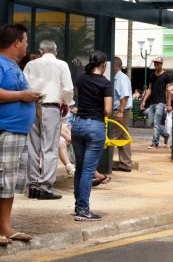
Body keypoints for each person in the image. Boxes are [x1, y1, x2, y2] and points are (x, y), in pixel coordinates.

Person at [0, 24, 42, 245]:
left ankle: (5, 227)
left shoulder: (13, 65)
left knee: (9, 183)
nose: (27, 44)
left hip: (17, 132)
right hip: (5, 130)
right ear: (16, 42)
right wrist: (23, 95)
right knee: (1, 180)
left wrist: (29, 97)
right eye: (25, 40)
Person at [23, 39, 74, 200]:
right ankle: (45, 186)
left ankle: (33, 185)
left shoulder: (31, 65)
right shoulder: (62, 65)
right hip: (51, 107)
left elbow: (23, 85)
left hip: (32, 106)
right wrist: (66, 102)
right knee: (49, 148)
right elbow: (68, 89)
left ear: (41, 51)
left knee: (33, 147)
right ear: (55, 51)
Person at [71, 50, 113, 222]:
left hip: (78, 124)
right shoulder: (106, 83)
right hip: (95, 126)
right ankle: (83, 210)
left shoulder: (81, 78)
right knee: (88, 170)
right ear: (103, 65)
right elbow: (108, 110)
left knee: (80, 169)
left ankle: (78, 205)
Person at [139, 56, 172, 149]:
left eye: (158, 63)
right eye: (155, 63)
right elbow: (149, 89)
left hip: (161, 102)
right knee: (151, 122)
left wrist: (168, 104)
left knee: (156, 122)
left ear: (161, 64)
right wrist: (144, 101)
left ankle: (155, 143)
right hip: (152, 102)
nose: (156, 65)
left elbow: (169, 90)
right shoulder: (152, 76)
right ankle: (165, 134)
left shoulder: (166, 76)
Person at [111, 57, 133, 172]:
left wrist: (120, 111)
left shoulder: (121, 78)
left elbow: (124, 95)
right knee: (122, 136)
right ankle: (125, 163)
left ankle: (105, 162)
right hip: (122, 110)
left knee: (111, 135)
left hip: (120, 110)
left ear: (116, 66)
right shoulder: (117, 78)